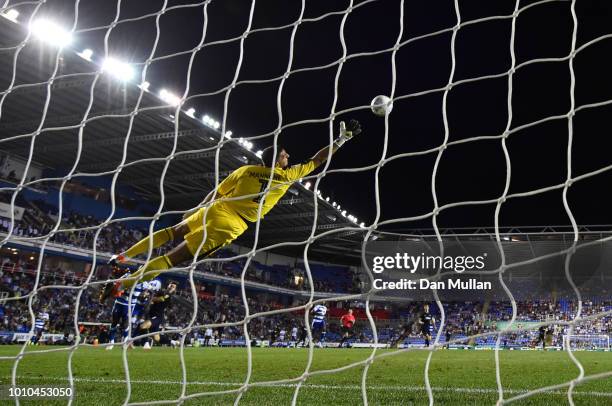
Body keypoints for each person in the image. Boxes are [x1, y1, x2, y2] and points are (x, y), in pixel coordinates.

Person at [105, 120, 362, 289]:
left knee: (170, 233)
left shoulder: (246, 170)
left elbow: (216, 193)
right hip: (231, 224)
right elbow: (317, 160)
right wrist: (341, 140)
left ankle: (124, 256)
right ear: (276, 160)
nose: (288, 157)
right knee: (173, 259)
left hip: (214, 210)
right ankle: (122, 284)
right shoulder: (287, 176)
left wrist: (197, 209)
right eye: (285, 155)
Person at [140, 280, 177, 349]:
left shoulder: (168, 295)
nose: (171, 287)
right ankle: (172, 342)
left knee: (143, 326)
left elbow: (160, 299)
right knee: (156, 338)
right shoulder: (161, 291)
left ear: (174, 290)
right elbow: (152, 296)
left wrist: (148, 297)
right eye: (171, 285)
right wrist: (147, 295)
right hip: (151, 315)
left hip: (157, 317)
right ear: (168, 285)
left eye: (173, 287)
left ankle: (146, 344)